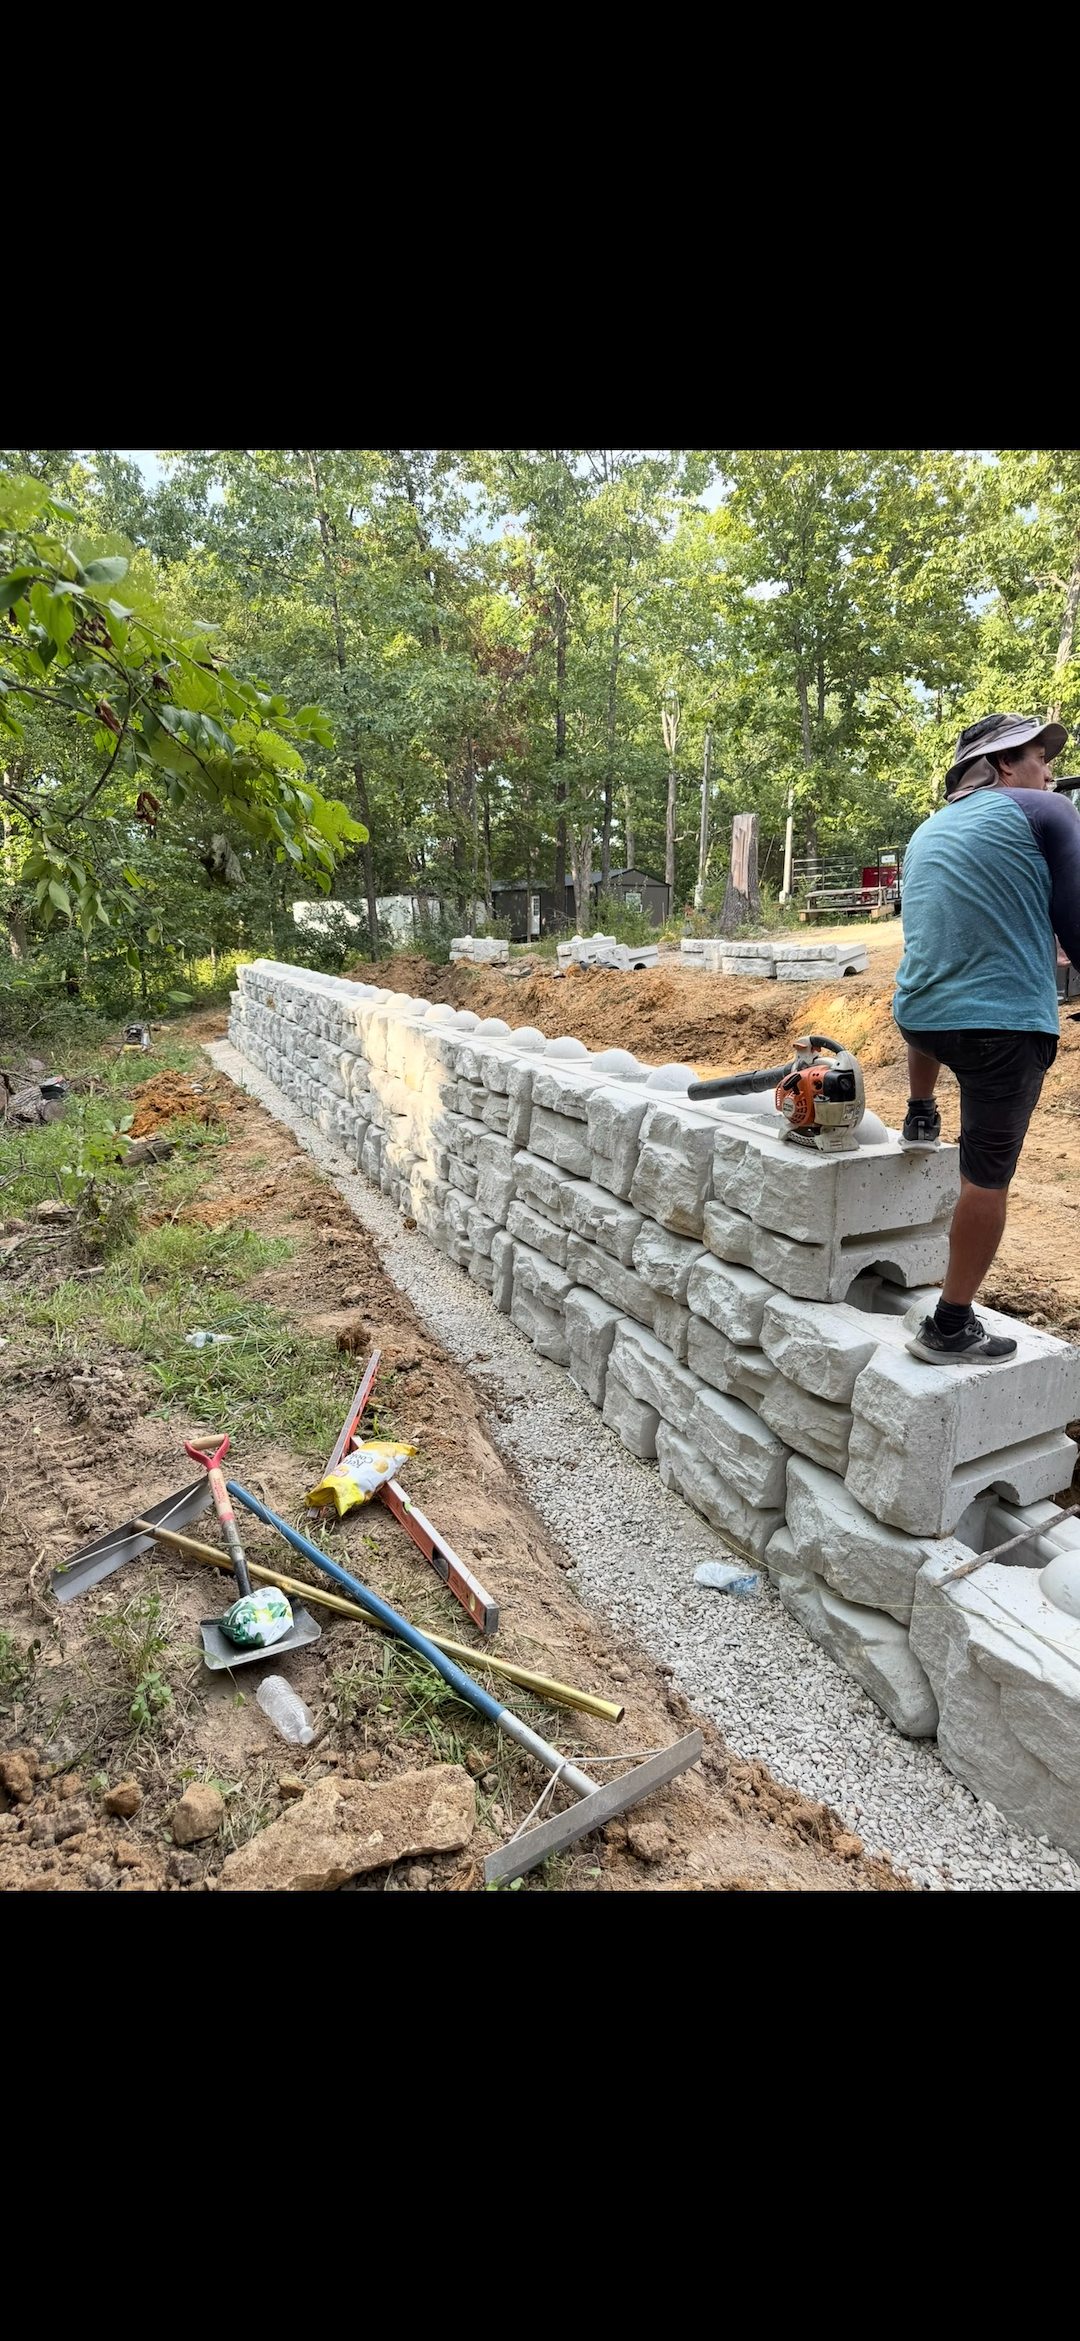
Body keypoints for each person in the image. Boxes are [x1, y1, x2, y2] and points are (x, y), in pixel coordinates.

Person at [892, 712, 1080, 1364]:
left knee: (938, 995)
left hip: (918, 1017)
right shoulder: (1046, 811)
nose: (1050, 769)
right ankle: (949, 1324)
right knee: (986, 1178)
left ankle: (920, 1112)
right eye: (1037, 755)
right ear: (1003, 765)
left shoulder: (926, 830)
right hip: (1001, 1032)